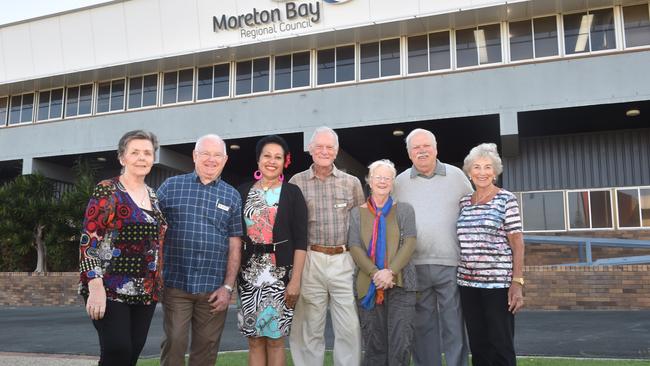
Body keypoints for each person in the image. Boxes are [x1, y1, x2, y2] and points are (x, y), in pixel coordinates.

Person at [79, 130, 167, 366]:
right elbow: (89, 240)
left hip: (146, 290)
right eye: (135, 152)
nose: (142, 157)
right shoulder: (108, 190)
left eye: (147, 153)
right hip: (109, 287)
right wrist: (94, 285)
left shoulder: (153, 196)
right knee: (117, 349)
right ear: (122, 158)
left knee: (132, 353)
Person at [157, 134, 243, 366]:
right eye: (205, 153)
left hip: (213, 290)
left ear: (225, 160)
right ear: (195, 156)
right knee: (175, 342)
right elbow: (155, 234)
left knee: (206, 349)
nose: (210, 160)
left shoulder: (232, 195)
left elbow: (235, 245)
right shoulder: (170, 187)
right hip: (176, 284)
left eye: (217, 155)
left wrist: (227, 287)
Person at [392, 128, 473, 366]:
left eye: (426, 146)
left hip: (450, 263)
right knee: (423, 326)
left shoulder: (456, 176)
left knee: (454, 324)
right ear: (409, 154)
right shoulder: (400, 182)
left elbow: (472, 209)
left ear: (436, 148)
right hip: (415, 266)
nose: (422, 151)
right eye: (416, 147)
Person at [289, 126, 365, 366]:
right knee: (310, 326)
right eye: (319, 146)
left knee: (349, 327)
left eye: (329, 147)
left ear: (336, 151)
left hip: (344, 259)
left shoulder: (351, 183)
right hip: (311, 259)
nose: (324, 151)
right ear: (310, 150)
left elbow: (361, 226)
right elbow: (290, 227)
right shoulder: (296, 182)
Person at [236, 135, 308, 366]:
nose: (271, 161)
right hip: (248, 277)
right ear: (258, 160)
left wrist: (295, 280)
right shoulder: (243, 191)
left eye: (278, 157)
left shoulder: (293, 193)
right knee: (255, 339)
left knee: (276, 339)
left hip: (280, 277)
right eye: (267, 155)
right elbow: (235, 237)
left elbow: (300, 241)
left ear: (284, 161)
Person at [457, 143, 525, 366]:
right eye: (477, 167)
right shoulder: (464, 203)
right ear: (469, 172)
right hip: (467, 284)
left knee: (501, 344)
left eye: (487, 167)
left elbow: (517, 242)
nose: (482, 172)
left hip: (498, 286)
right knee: (478, 345)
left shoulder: (506, 199)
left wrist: (517, 281)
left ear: (495, 172)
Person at [348, 159, 417, 366]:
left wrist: (390, 272)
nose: (382, 181)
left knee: (400, 344)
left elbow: (410, 242)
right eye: (378, 177)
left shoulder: (405, 210)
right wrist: (375, 273)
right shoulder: (356, 213)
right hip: (368, 284)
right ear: (369, 180)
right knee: (374, 345)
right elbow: (354, 246)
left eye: (387, 178)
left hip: (401, 283)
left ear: (393, 182)